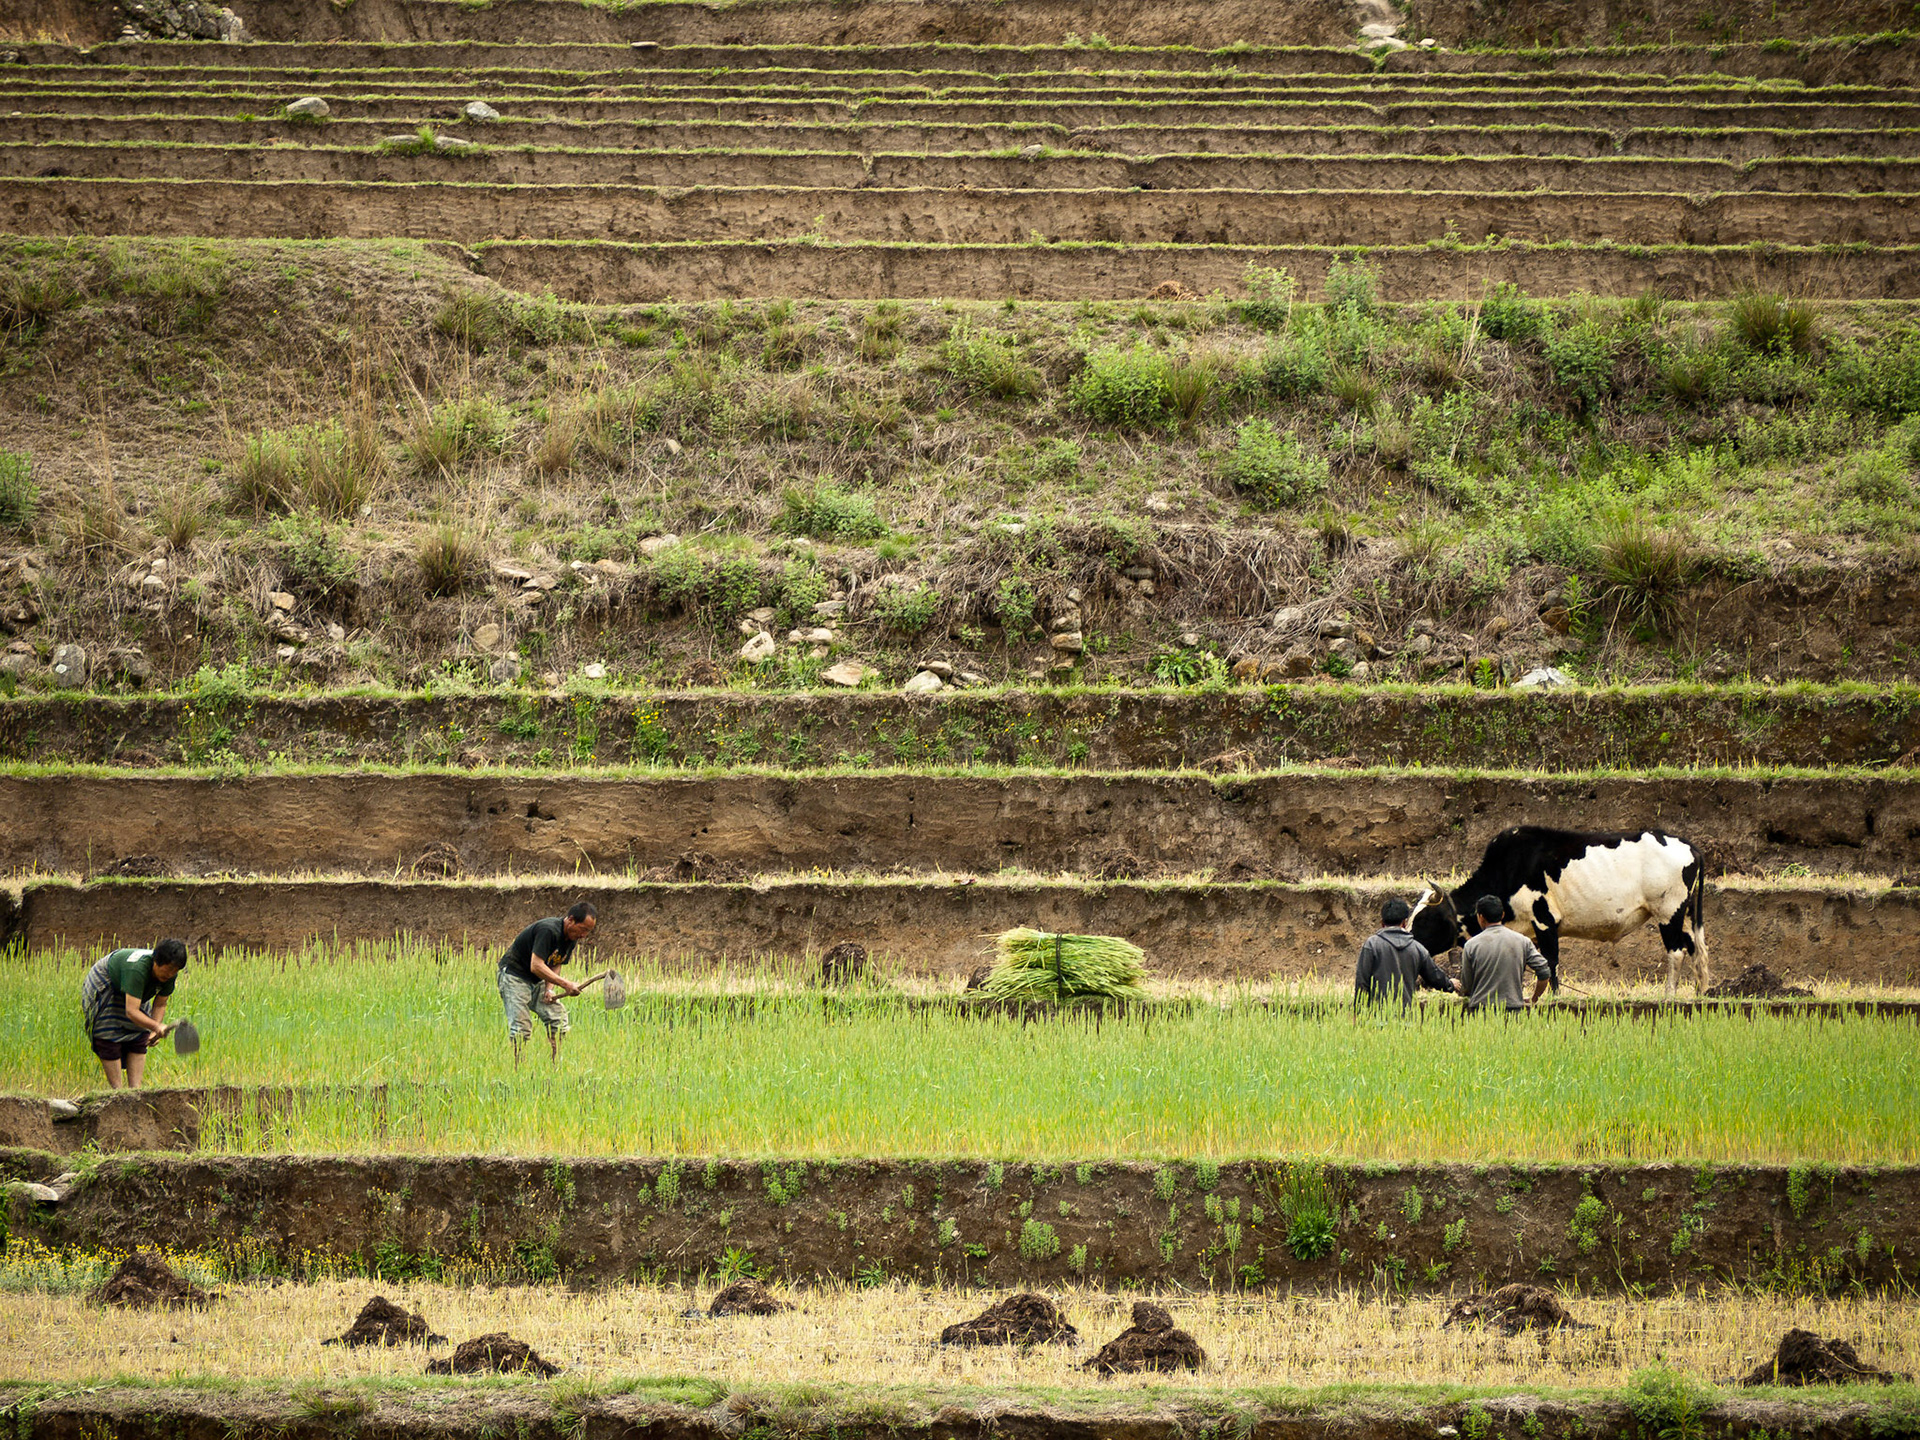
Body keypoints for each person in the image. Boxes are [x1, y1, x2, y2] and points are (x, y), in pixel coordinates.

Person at [79, 938, 188, 1089]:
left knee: (139, 1036)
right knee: (108, 1033)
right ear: (156, 961)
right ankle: (118, 1092)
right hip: (107, 982)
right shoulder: (137, 970)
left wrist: (153, 1031)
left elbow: (160, 1004)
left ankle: (135, 1091)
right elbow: (131, 1011)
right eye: (168, 969)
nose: (170, 974)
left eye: (175, 970)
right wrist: (156, 1026)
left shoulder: (169, 976)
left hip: (135, 987)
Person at [498, 901, 597, 1066]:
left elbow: (556, 962)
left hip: (536, 979)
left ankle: (555, 1065)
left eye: (588, 931)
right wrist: (566, 984)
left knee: (558, 1019)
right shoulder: (548, 930)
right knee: (521, 1028)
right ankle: (517, 1068)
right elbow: (536, 965)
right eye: (583, 929)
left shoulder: (571, 938)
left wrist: (549, 990)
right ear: (571, 920)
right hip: (515, 976)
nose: (584, 935)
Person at [1354, 897, 1458, 1009]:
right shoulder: (1417, 948)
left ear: (1382, 923)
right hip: (1405, 1015)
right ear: (1405, 923)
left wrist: (1359, 1011)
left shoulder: (1371, 945)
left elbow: (1361, 982)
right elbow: (1434, 976)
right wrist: (1450, 984)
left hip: (1377, 1015)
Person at [1458, 894, 1552, 1012]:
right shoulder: (1523, 941)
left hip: (1481, 1011)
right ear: (1502, 915)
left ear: (1480, 917)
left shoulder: (1471, 945)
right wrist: (1534, 999)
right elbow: (1544, 972)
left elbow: (1467, 986)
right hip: (1514, 1011)